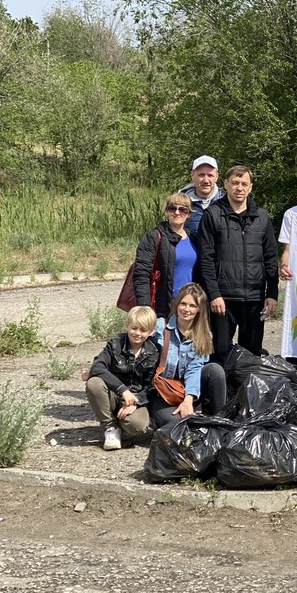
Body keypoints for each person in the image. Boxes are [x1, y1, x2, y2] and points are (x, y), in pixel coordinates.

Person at [198, 165, 279, 362]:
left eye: (244, 184)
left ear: (250, 187)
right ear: (225, 184)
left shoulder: (262, 217)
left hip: (254, 298)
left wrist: (272, 294)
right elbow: (206, 259)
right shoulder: (212, 215)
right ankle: (222, 392)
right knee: (220, 352)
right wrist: (214, 294)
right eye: (235, 183)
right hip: (223, 299)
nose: (239, 188)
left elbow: (270, 257)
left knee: (251, 355)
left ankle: (246, 393)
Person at [149, 283, 227, 430]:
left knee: (215, 370)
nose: (186, 309)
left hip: (188, 390)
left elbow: (195, 369)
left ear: (199, 310)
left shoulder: (204, 335)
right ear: (176, 305)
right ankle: (156, 419)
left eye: (192, 306)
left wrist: (188, 399)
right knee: (181, 426)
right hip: (163, 393)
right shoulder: (159, 327)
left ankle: (220, 424)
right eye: (183, 304)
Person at [85, 306, 160, 450]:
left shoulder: (155, 351)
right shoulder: (115, 344)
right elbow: (97, 367)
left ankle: (121, 421)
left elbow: (152, 385)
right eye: (134, 328)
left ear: (151, 332)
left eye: (143, 330)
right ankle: (110, 427)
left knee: (137, 427)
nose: (137, 333)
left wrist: (136, 403)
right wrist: (123, 390)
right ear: (127, 325)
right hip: (114, 393)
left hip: (136, 398)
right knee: (94, 382)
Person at [132, 193, 197, 318]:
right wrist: (145, 307)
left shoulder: (194, 238)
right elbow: (141, 274)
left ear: (189, 214)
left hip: (189, 306)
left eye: (183, 209)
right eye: (172, 208)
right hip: (164, 305)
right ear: (167, 212)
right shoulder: (154, 237)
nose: (177, 213)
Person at [180, 155, 224, 235]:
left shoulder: (226, 203)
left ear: (216, 177)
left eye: (210, 175)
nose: (206, 180)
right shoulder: (180, 204)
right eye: (201, 175)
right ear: (192, 175)